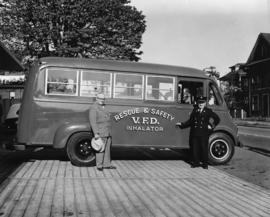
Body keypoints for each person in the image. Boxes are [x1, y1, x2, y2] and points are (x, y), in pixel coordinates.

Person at [176, 96, 220, 169]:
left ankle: (205, 164)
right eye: (199, 102)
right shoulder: (195, 110)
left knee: (203, 148)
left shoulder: (208, 111)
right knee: (195, 148)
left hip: (204, 133)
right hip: (195, 132)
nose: (201, 104)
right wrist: (182, 124)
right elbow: (190, 121)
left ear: (205, 103)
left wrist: (211, 126)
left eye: (202, 102)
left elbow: (217, 119)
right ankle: (196, 163)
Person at [89, 93, 116, 171]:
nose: (102, 100)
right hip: (100, 131)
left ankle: (107, 164)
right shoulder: (94, 108)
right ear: (96, 99)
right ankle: (99, 165)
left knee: (107, 149)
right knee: (100, 148)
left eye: (103, 99)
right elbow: (93, 122)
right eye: (100, 98)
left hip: (107, 131)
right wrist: (96, 133)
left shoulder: (104, 106)